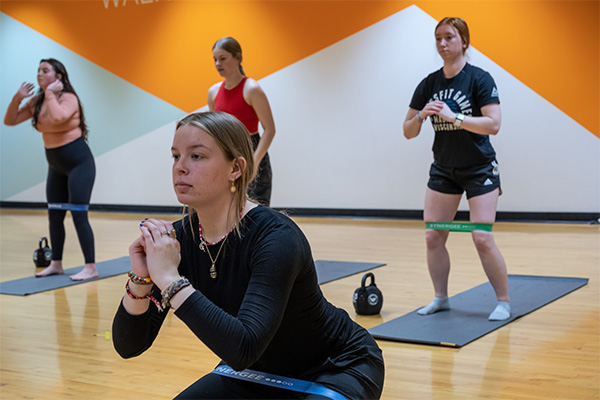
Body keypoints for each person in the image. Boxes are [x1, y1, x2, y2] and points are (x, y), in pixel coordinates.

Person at [112, 111, 384, 399]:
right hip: (255, 370)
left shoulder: (277, 237)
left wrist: (169, 279)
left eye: (196, 156)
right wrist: (140, 279)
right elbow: (129, 345)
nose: (180, 167)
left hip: (335, 366)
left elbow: (243, 348)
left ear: (236, 168)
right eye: (175, 156)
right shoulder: (178, 242)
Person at [402, 17, 510, 321]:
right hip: (444, 169)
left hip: (480, 168)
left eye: (449, 37)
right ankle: (441, 297)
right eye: (438, 38)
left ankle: (503, 300)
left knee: (482, 237)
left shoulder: (479, 78)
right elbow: (408, 131)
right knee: (433, 236)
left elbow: (494, 124)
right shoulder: (429, 84)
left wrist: (455, 117)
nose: (442, 44)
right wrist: (422, 114)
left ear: (464, 41)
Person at [4, 58, 97, 281]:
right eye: (38, 70)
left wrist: (48, 94)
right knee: (54, 215)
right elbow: (10, 120)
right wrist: (18, 98)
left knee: (78, 215)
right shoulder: (38, 100)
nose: (39, 74)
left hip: (79, 165)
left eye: (45, 70)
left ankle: (90, 267)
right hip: (55, 166)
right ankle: (56, 263)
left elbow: (57, 118)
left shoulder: (68, 98)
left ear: (59, 77)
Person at [208, 36, 275, 206]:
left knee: (256, 213)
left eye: (223, 59)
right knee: (225, 209)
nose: (218, 64)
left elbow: (270, 129)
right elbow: (213, 131)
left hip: (251, 151)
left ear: (237, 58)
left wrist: (254, 161)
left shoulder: (252, 89)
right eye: (215, 59)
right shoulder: (213, 92)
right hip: (225, 153)